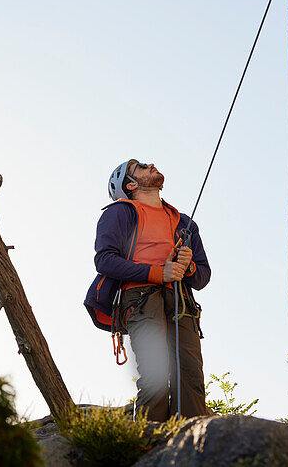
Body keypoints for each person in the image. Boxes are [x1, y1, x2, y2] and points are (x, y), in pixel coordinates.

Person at [83, 159, 212, 421]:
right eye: (141, 166)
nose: (150, 164)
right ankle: (148, 447)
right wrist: (157, 272)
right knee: (154, 376)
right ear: (130, 185)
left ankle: (189, 450)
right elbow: (104, 260)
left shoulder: (184, 222)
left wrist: (187, 268)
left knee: (191, 378)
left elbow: (202, 276)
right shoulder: (119, 213)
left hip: (181, 301)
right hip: (140, 299)